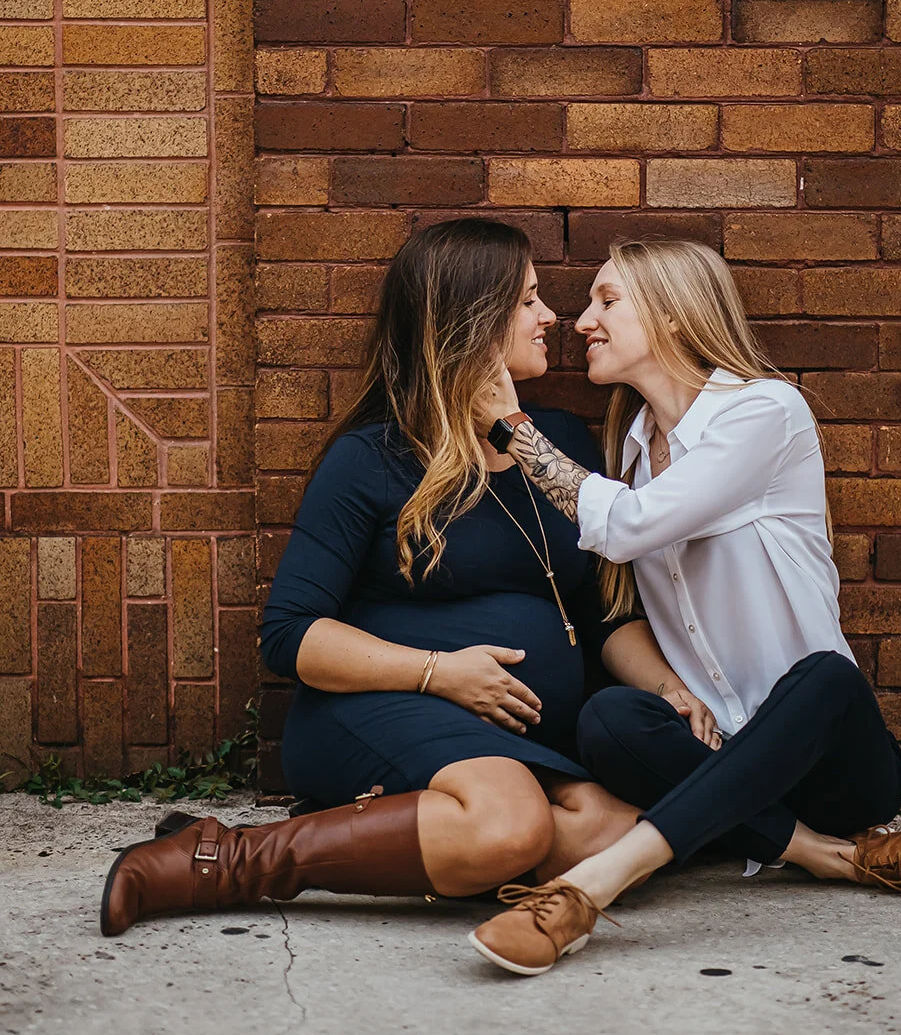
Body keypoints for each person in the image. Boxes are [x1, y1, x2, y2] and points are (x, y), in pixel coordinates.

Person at [100, 220, 714, 937]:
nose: (550, 318)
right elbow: (289, 634)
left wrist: (665, 684)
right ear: (470, 323)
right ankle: (218, 859)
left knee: (612, 835)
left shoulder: (557, 448)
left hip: (506, 734)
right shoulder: (374, 458)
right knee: (509, 826)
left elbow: (600, 611)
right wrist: (438, 673)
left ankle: (395, 833)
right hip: (381, 703)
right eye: (527, 302)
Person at [468, 237, 901, 976]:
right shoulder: (633, 449)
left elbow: (628, 528)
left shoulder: (764, 412)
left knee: (825, 676)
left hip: (828, 761)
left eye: (607, 301)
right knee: (610, 718)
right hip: (712, 753)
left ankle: (589, 887)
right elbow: (624, 556)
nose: (581, 321)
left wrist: (511, 431)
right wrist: (670, 689)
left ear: (674, 319)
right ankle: (833, 858)